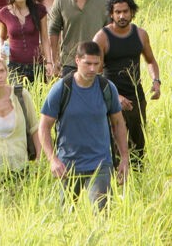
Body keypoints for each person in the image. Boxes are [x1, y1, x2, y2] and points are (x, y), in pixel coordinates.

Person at [38, 42, 130, 211]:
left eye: (97, 64)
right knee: (67, 216)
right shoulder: (62, 89)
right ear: (77, 60)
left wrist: (124, 158)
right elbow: (43, 126)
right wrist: (53, 159)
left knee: (102, 214)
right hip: (68, 165)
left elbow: (118, 123)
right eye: (88, 63)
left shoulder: (107, 88)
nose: (93, 69)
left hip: (100, 163)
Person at [93, 0, 161, 170]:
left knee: (139, 142)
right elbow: (95, 74)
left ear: (132, 12)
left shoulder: (140, 34)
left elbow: (151, 61)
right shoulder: (102, 37)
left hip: (136, 96)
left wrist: (156, 81)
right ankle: (116, 181)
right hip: (112, 98)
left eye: (125, 12)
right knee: (115, 142)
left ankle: (138, 179)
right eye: (117, 12)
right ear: (111, 14)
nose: (122, 16)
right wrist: (116, 96)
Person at [48, 0, 111, 76]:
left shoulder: (104, 2)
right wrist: (54, 60)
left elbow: (109, 33)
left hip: (95, 63)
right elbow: (53, 30)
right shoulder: (61, 0)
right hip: (69, 62)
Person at [0, 0, 56, 83]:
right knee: (17, 98)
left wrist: (49, 62)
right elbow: (2, 37)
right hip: (14, 66)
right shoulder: (4, 13)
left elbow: (44, 38)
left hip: (36, 65)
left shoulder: (39, 10)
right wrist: (1, 48)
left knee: (38, 98)